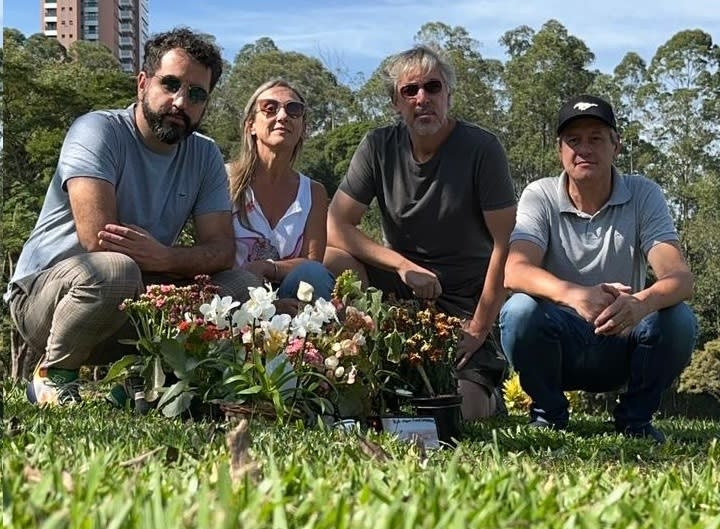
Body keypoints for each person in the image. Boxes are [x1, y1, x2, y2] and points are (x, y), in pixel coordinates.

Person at [5, 27, 262, 406]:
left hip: (138, 294)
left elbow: (223, 250)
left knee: (240, 285)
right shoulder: (98, 130)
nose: (180, 101)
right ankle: (54, 374)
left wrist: (168, 258)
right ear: (142, 83)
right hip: (49, 298)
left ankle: (144, 384)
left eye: (196, 94)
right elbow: (99, 239)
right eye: (170, 84)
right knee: (114, 270)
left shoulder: (204, 155)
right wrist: (173, 262)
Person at [324, 46, 517, 420]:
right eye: (409, 91)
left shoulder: (481, 148)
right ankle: (365, 351)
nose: (422, 98)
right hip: (403, 294)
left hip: (465, 302)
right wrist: (400, 265)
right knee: (332, 259)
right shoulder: (378, 147)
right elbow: (336, 225)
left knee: (465, 411)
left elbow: (505, 245)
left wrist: (478, 327)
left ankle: (490, 397)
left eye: (433, 87)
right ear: (396, 102)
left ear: (449, 95)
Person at [499, 94, 697, 443]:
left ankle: (635, 420)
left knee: (679, 319)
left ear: (616, 145)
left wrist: (642, 304)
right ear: (559, 149)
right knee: (518, 311)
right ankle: (549, 418)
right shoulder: (540, 195)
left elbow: (680, 279)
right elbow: (515, 271)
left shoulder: (642, 194)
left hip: (622, 338)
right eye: (573, 140)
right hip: (561, 345)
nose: (584, 149)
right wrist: (574, 295)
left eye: (596, 138)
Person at [226, 79, 334, 309]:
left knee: (315, 274)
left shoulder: (313, 192)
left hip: (291, 298)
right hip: (231, 298)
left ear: (303, 128)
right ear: (250, 125)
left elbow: (312, 262)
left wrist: (269, 267)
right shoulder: (223, 180)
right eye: (270, 108)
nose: (283, 116)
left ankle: (309, 341)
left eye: (294, 110)